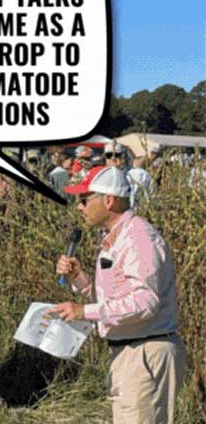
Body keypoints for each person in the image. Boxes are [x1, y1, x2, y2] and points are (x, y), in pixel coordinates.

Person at [51, 166, 186, 423]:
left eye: (84, 200)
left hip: (145, 352)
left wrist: (85, 312)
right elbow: (117, 299)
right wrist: (78, 279)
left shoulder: (139, 238)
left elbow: (146, 302)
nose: (79, 207)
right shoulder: (116, 237)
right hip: (130, 352)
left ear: (109, 200)